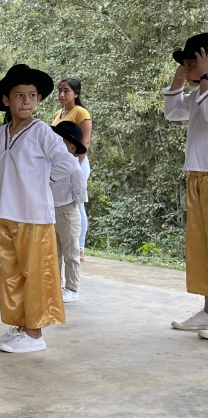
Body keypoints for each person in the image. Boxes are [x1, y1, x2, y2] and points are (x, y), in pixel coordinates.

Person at [0, 64, 79, 353]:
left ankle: (35, 334)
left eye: (31, 95)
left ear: (38, 100)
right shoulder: (0, 135)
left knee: (35, 273)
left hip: (34, 215)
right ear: (6, 100)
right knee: (11, 273)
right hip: (5, 214)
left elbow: (67, 163)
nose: (25, 101)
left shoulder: (42, 132)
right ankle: (20, 326)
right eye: (18, 96)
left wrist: (43, 179)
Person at [165, 33, 208, 339]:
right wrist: (179, 80)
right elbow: (172, 112)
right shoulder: (198, 95)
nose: (186, 67)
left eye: (190, 62)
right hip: (198, 178)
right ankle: (207, 312)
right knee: (201, 248)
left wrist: (204, 77)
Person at [52, 77, 92, 262]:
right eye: (60, 90)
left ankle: (80, 247)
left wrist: (75, 165)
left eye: (66, 90)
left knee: (77, 203)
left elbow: (84, 142)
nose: (62, 94)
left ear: (76, 93)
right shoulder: (58, 113)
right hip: (60, 163)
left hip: (76, 162)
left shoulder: (81, 113)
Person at [49, 122, 88, 303]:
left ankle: (72, 288)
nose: (57, 142)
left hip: (68, 210)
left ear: (72, 147)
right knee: (54, 252)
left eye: (61, 140)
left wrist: (71, 200)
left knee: (70, 252)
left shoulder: (73, 165)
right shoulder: (50, 162)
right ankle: (55, 285)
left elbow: (80, 190)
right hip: (50, 210)